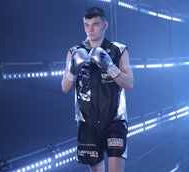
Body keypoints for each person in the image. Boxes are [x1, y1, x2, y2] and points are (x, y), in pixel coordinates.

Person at [61, 7, 134, 172]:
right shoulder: (74, 52)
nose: (90, 29)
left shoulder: (118, 50)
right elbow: (65, 88)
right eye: (87, 25)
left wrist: (109, 66)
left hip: (115, 120)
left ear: (105, 25)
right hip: (88, 122)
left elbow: (129, 84)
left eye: (95, 24)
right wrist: (73, 69)